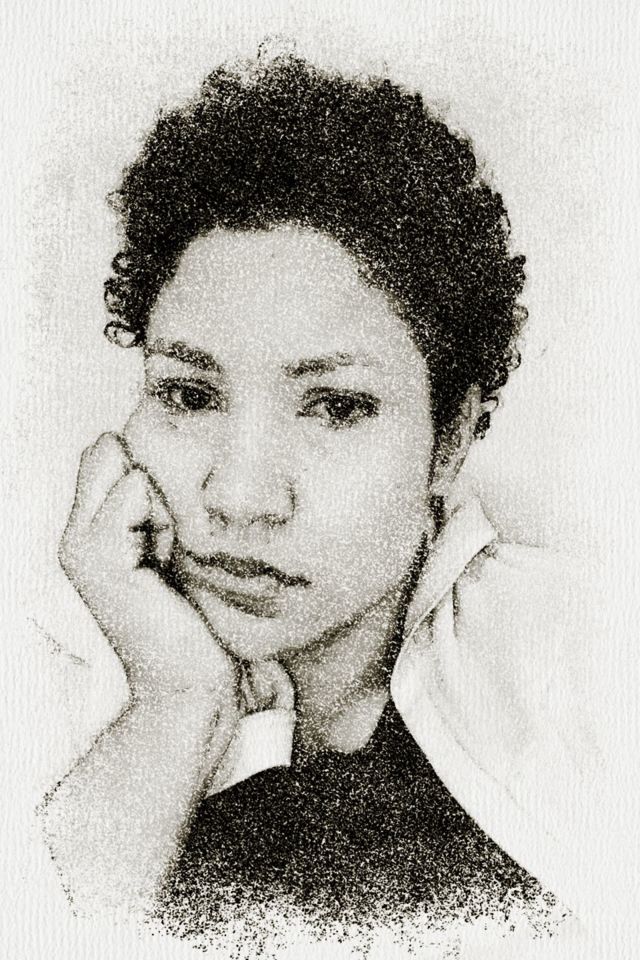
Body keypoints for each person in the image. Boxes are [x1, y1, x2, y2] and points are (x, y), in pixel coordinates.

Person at [38, 51, 597, 937]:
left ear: (451, 437)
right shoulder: (40, 687)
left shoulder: (591, 667)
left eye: (335, 407)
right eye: (189, 395)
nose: (240, 498)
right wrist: (175, 701)